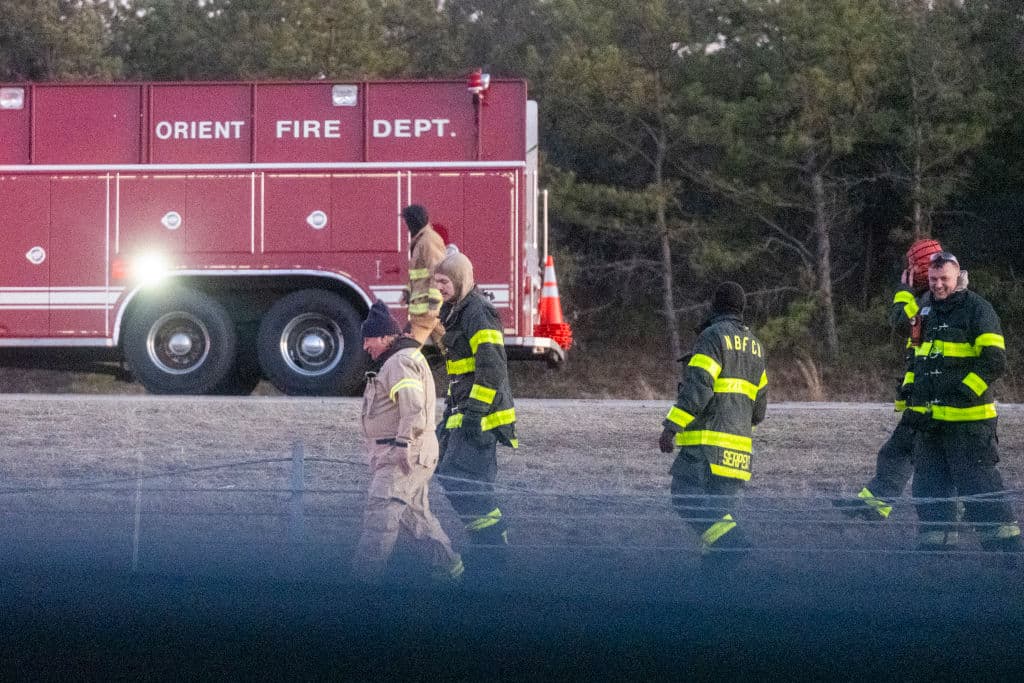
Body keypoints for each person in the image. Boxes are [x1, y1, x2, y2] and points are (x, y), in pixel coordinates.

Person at [905, 251, 1021, 553]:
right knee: (929, 488)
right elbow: (915, 357)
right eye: (933, 280)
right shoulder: (925, 307)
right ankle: (936, 549)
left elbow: (995, 361)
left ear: (958, 277)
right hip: (931, 423)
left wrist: (963, 393)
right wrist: (909, 398)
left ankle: (1005, 549)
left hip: (970, 422)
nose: (938, 285)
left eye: (944, 279)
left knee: (979, 486)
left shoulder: (978, 309)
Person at [351, 300, 464, 583]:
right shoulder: (396, 361)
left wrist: (402, 444)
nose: (366, 346)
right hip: (402, 454)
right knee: (416, 521)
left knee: (379, 519)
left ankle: (357, 590)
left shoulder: (400, 362)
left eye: (369, 339)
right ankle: (452, 574)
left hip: (401, 455)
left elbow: (413, 408)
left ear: (386, 336)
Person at [834, 238, 944, 520]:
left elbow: (900, 323)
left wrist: (903, 292)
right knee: (899, 453)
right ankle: (874, 507)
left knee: (923, 463)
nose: (907, 271)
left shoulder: (932, 300)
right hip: (925, 397)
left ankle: (879, 508)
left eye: (911, 265)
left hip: (933, 400)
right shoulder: (934, 296)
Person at [659, 282, 767, 560]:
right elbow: (759, 410)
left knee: (685, 498)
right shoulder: (756, 347)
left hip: (706, 449)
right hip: (739, 456)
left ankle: (736, 545)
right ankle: (714, 591)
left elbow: (698, 387)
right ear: (741, 308)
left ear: (715, 305)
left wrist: (671, 428)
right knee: (717, 525)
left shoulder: (712, 337)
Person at [431, 251, 518, 570]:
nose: (439, 287)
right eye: (436, 282)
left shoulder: (478, 311)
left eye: (444, 281)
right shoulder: (456, 311)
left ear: (460, 280)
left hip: (481, 416)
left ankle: (494, 549)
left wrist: (475, 413)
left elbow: (491, 367)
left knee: (464, 481)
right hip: (461, 411)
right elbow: (459, 369)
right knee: (449, 475)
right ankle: (487, 545)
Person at [402, 204, 447, 348]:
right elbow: (419, 275)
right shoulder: (421, 240)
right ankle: (467, 368)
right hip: (425, 309)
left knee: (409, 351)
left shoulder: (428, 240)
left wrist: (433, 305)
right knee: (450, 349)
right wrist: (408, 292)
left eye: (407, 223)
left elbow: (438, 273)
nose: (407, 227)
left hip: (426, 312)